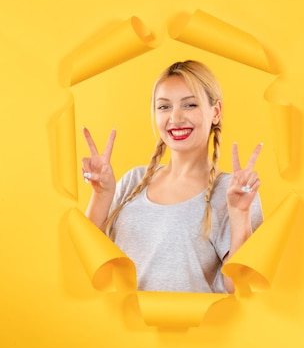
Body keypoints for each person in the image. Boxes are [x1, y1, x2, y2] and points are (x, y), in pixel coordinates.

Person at [81, 60, 263, 294]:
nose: (175, 118)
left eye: (189, 105)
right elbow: (88, 262)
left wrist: (240, 214)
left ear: (215, 112)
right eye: (164, 107)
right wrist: (101, 195)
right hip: (121, 328)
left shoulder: (234, 192)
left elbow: (239, 287)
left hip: (196, 329)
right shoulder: (134, 181)